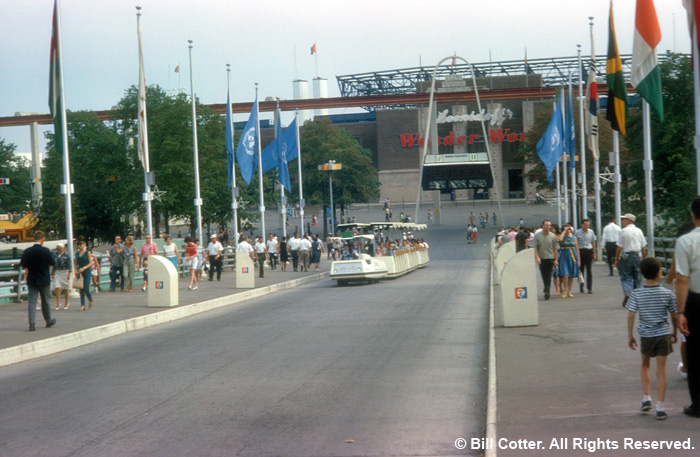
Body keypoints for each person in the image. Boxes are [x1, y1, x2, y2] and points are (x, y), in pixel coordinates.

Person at [626, 257, 678, 420]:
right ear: (658, 273)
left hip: (646, 336)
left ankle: (646, 398)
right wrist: (674, 332)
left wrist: (630, 335)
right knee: (661, 371)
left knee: (645, 365)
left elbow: (631, 314)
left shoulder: (636, 293)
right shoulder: (667, 293)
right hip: (663, 335)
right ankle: (660, 407)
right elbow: (674, 315)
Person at [676, 197, 700, 417]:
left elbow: (682, 279)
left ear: (693, 216)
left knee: (694, 353)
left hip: (695, 301)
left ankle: (698, 404)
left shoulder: (685, 241)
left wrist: (680, 311)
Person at [20, 231, 56, 331]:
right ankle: (48, 321)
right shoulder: (46, 250)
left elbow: (23, 264)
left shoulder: (27, 251)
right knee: (45, 301)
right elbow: (52, 262)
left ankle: (32, 324)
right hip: (44, 279)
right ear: (43, 239)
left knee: (32, 301)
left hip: (32, 279)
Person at [615, 213, 647, 307]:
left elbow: (619, 247)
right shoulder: (639, 231)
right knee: (637, 276)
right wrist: (644, 258)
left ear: (629, 220)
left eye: (624, 219)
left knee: (626, 276)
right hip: (637, 256)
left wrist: (616, 259)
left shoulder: (623, 231)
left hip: (626, 256)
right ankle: (636, 296)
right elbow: (643, 247)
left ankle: (627, 293)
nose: (622, 221)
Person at [533, 220, 559, 300]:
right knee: (543, 274)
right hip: (542, 258)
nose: (548, 227)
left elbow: (555, 248)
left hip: (550, 257)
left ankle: (547, 290)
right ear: (543, 226)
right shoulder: (537, 235)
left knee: (548, 275)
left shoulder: (553, 236)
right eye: (546, 225)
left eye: (549, 225)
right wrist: (536, 257)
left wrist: (556, 259)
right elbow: (535, 247)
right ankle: (546, 287)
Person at [557, 224, 580, 298]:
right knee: (565, 274)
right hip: (564, 255)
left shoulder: (574, 237)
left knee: (571, 275)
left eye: (569, 229)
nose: (568, 230)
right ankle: (565, 290)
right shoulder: (562, 236)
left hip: (572, 255)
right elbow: (560, 240)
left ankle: (569, 291)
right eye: (567, 229)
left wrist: (578, 259)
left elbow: (577, 248)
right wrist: (564, 232)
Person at [575, 219, 597, 294]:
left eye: (588, 225)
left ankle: (589, 287)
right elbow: (576, 243)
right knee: (581, 270)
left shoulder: (591, 232)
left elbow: (593, 242)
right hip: (581, 251)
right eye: (585, 225)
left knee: (589, 270)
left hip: (588, 250)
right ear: (582, 225)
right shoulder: (577, 232)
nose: (587, 226)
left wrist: (594, 253)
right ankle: (581, 286)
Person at [74, 236, 94, 311]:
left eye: (81, 244)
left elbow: (91, 263)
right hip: (80, 272)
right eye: (78, 245)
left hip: (86, 271)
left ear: (84, 244)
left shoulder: (87, 252)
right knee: (81, 289)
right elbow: (75, 263)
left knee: (86, 288)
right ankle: (82, 305)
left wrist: (84, 268)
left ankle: (90, 300)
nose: (79, 246)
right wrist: (75, 270)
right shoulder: (77, 254)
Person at [52, 242, 72, 309]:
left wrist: (69, 273)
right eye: (57, 249)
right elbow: (53, 265)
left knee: (66, 288)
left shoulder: (67, 255)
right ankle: (58, 303)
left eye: (60, 249)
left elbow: (69, 265)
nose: (58, 250)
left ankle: (66, 303)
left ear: (63, 249)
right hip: (57, 272)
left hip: (64, 271)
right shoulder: (55, 255)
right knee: (57, 288)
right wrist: (52, 272)